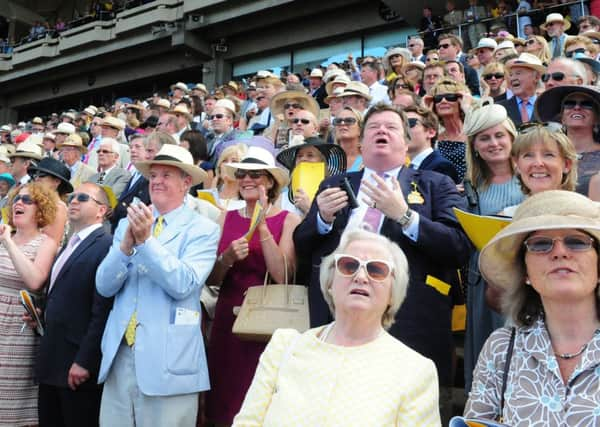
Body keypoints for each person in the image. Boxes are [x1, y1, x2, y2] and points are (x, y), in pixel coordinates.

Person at [293, 103, 472, 424]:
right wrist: (320, 218)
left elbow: (458, 246)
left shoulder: (434, 184)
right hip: (335, 324)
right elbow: (302, 246)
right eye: (374, 127)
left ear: (407, 143)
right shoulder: (333, 184)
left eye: (391, 127)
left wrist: (404, 215)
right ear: (360, 145)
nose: (381, 131)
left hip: (412, 325)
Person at [233, 230, 441, 426]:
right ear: (330, 282)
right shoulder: (284, 347)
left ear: (392, 292)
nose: (360, 277)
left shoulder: (414, 371)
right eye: (349, 265)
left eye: (376, 269)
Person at [96, 144, 219, 427]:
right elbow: (103, 286)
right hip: (120, 353)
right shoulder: (130, 222)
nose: (157, 181)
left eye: (166, 175)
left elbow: (184, 284)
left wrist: (146, 242)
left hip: (169, 360)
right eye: (153, 175)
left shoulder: (203, 228)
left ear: (186, 183)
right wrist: (125, 246)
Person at [465, 190, 600, 425]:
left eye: (577, 242)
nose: (560, 252)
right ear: (525, 272)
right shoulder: (501, 346)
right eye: (540, 244)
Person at [204, 146, 300, 426]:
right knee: (221, 394)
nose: (247, 179)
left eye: (256, 174)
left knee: (255, 395)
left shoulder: (288, 220)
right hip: (227, 319)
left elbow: (283, 274)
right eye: (243, 174)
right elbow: (212, 279)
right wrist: (227, 258)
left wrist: (261, 226)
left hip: (265, 322)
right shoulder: (226, 217)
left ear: (270, 181)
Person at [34, 183, 113, 427]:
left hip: (76, 366)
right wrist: (41, 311)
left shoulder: (105, 244)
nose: (73, 201)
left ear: (101, 210)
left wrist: (85, 361)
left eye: (82, 197)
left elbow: (102, 309)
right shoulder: (71, 242)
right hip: (53, 359)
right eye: (71, 197)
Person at [461, 104, 524, 392]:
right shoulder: (469, 185)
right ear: (474, 146)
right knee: (487, 354)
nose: (494, 143)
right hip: (483, 280)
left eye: (499, 135)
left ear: (512, 137)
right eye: (484, 138)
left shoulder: (530, 176)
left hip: (522, 275)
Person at [0, 183, 58, 426]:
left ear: (41, 209)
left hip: (18, 330)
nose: (18, 204)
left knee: (13, 410)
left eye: (26, 200)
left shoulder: (46, 243)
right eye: (16, 199)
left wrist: (8, 242)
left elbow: (34, 280)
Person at [534, 85, 599, 197]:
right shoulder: (544, 153)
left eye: (587, 104)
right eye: (569, 104)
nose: (577, 107)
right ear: (562, 117)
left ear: (597, 117)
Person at [276, 136, 346, 216]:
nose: (303, 159)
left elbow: (334, 226)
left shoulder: (332, 195)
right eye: (299, 156)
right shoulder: (282, 198)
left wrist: (308, 209)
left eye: (310, 155)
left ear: (322, 161)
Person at [424, 78, 473, 182]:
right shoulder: (433, 138)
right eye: (438, 98)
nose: (443, 101)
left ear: (460, 100)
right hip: (444, 191)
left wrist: (467, 107)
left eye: (450, 97)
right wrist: (426, 113)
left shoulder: (473, 132)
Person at [404, 105, 459, 183]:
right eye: (400, 125)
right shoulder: (402, 167)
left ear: (431, 132)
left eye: (410, 123)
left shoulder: (441, 166)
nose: (403, 130)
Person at [29, 157, 72, 245]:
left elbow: (50, 243)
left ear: (56, 181)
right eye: (35, 175)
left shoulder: (59, 208)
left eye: (41, 174)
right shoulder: (38, 204)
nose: (37, 179)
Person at [497, 53, 544, 126]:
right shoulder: (499, 108)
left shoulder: (547, 106)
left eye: (518, 73)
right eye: (511, 75)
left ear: (536, 77)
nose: (512, 78)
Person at [334, 106, 363, 172]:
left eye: (349, 120)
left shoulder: (370, 160)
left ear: (360, 129)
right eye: (338, 121)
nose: (342, 123)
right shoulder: (327, 159)